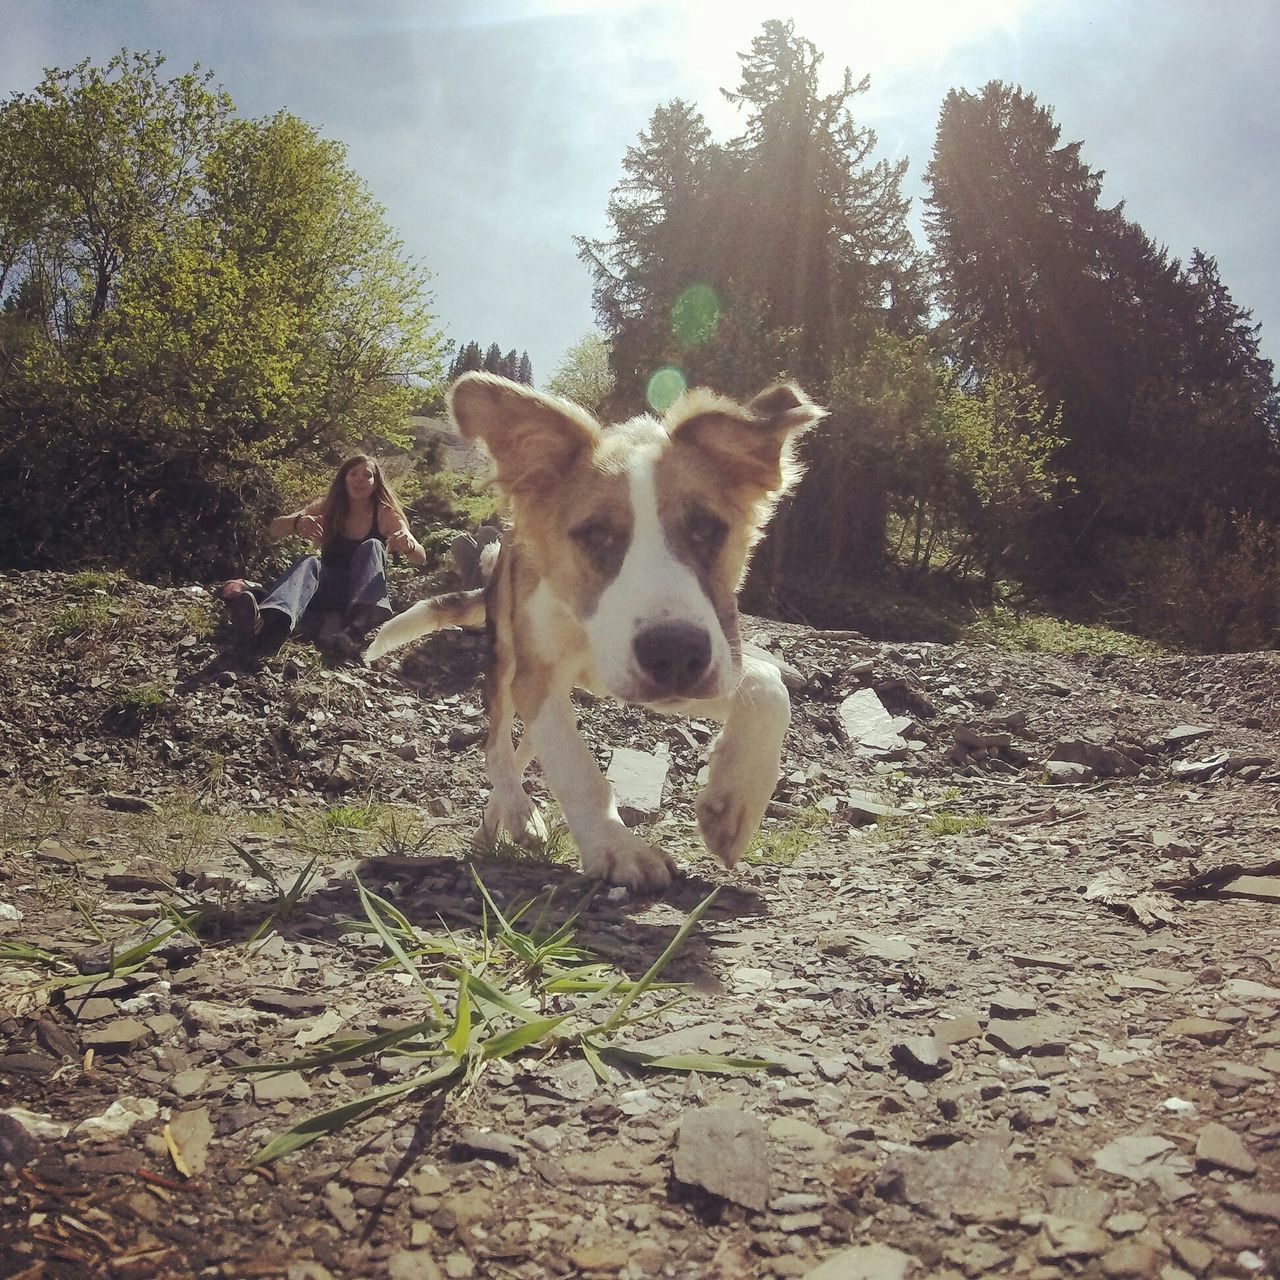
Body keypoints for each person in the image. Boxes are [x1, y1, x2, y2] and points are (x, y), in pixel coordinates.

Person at [227, 455, 427, 655]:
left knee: (373, 545)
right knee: (309, 561)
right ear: (344, 478)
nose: (360, 479)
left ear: (375, 484)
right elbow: (275, 529)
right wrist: (298, 522)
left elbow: (420, 557)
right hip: (325, 590)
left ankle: (357, 628)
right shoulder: (328, 507)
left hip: (359, 596)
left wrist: (408, 545)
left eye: (367, 475)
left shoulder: (385, 514)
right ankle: (270, 623)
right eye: (353, 473)